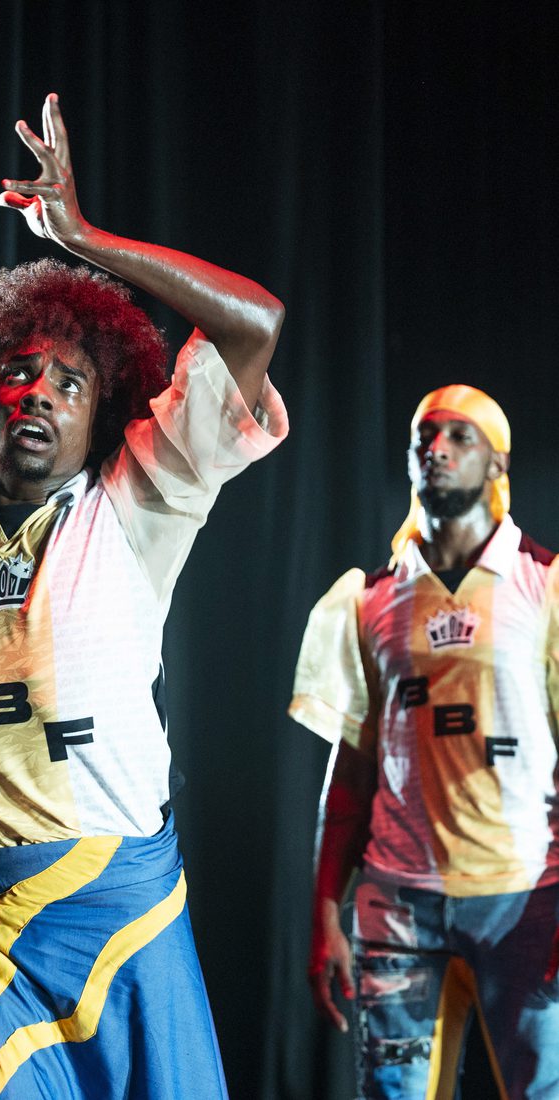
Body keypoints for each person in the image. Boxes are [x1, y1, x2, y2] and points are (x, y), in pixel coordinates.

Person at [0, 94, 287, 1100]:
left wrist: (83, 238)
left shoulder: (140, 498)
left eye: (68, 383)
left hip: (121, 905)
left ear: (103, 413)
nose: (35, 393)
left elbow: (256, 323)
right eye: (15, 373)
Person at [289, 386, 559, 1099]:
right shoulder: (369, 598)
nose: (434, 450)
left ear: (497, 460)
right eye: (423, 438)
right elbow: (350, 774)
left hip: (524, 895)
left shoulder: (548, 585)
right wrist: (323, 915)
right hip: (398, 904)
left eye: (456, 437)